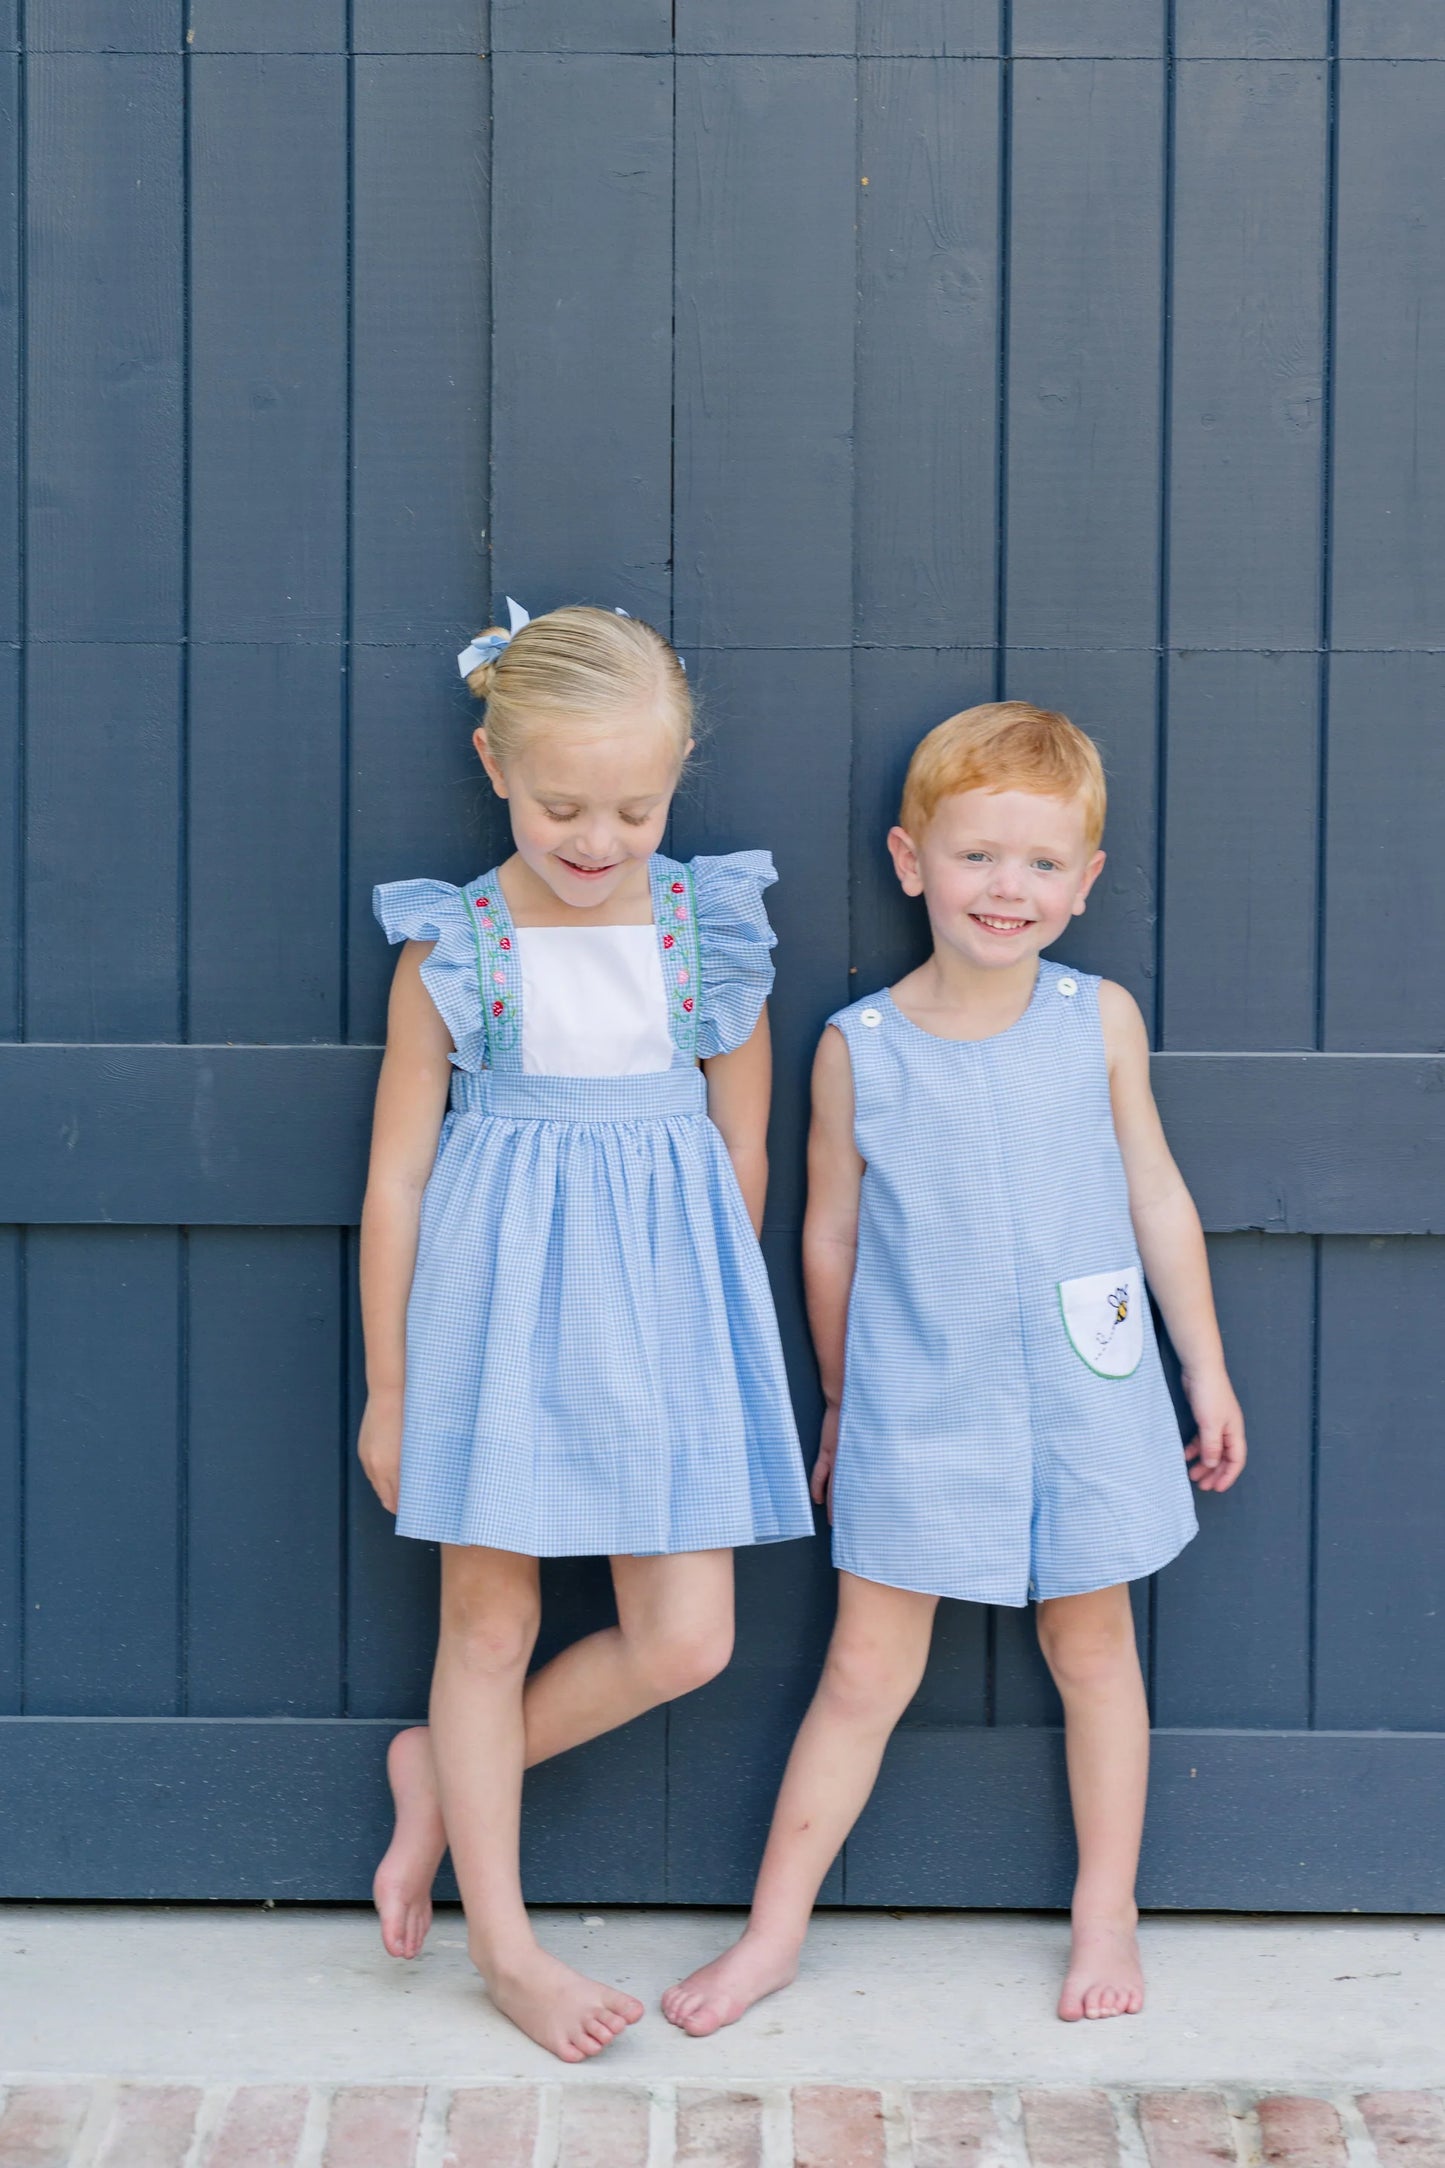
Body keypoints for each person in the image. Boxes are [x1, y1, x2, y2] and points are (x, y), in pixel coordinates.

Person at [663, 700, 1246, 2035]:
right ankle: (771, 1933)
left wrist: (1200, 1371)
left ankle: (1107, 1905)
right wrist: (837, 1402)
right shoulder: (856, 1048)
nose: (1008, 888)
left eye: (1042, 865)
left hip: (1094, 1390)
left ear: (1083, 884)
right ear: (909, 857)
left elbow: (1154, 1195)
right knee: (864, 1674)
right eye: (978, 855)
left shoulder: (1097, 1019)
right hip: (915, 1407)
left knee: (1090, 1644)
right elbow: (826, 1235)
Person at [359, 602, 813, 2062]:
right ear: (494, 765)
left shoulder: (706, 929)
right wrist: (388, 1385)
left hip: (664, 1314)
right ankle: (504, 1945)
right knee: (485, 1627)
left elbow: (741, 1157)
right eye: (563, 804)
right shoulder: (456, 942)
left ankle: (439, 1776)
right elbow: (398, 1175)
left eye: (636, 805)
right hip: (490, 1315)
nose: (600, 836)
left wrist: (701, 1343)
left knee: (683, 1637)